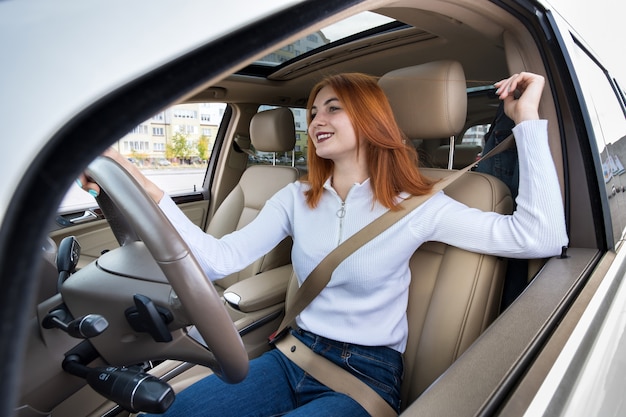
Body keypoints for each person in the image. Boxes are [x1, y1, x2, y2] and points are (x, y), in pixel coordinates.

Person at [79, 71, 568, 416]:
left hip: (367, 376)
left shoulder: (419, 207)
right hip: (290, 353)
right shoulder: (295, 197)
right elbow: (218, 259)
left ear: (371, 120)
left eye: (334, 107)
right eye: (313, 111)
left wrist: (525, 120)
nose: (316, 119)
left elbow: (540, 236)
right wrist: (147, 190)